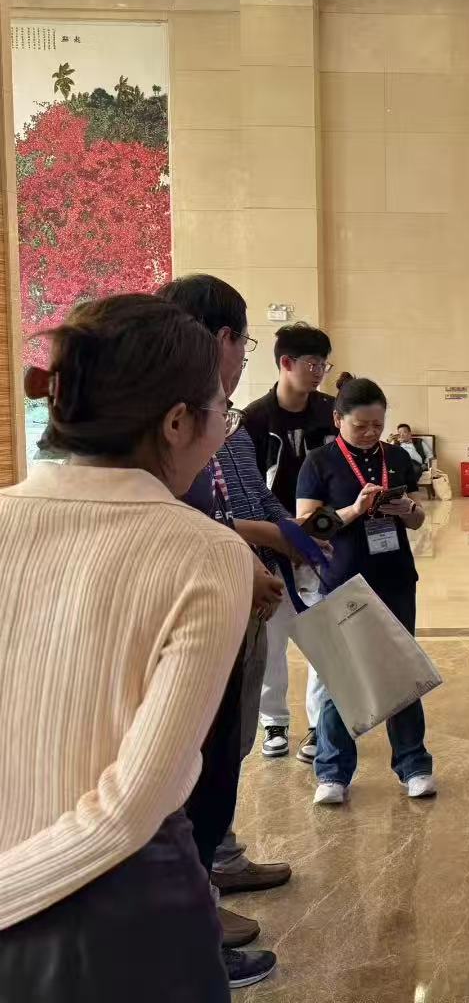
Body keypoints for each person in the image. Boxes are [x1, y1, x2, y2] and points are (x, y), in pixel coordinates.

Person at [0, 294, 250, 1001]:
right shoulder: (205, 553)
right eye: (221, 413)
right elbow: (129, 808)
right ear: (177, 422)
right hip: (113, 922)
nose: (220, 432)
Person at [159, 275, 300, 981]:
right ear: (223, 338)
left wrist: (276, 547)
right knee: (189, 772)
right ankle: (193, 927)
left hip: (232, 604)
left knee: (220, 760)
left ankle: (211, 877)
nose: (245, 356)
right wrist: (248, 556)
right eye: (245, 341)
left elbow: (233, 509)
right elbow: (186, 523)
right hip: (191, 620)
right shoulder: (169, 421)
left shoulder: (223, 424)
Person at [296, 378, 434, 805]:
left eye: (378, 424)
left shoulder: (397, 457)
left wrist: (407, 509)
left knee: (401, 670)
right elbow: (308, 527)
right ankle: (333, 772)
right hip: (343, 580)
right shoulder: (319, 462)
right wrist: (355, 510)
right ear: (338, 419)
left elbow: (418, 520)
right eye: (361, 426)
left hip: (395, 577)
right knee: (343, 676)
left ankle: (414, 765)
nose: (372, 433)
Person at [242, 322, 336, 764]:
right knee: (273, 636)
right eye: (311, 364)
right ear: (286, 363)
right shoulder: (254, 420)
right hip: (270, 544)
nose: (319, 372)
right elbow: (249, 490)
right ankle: (274, 721)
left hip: (322, 543)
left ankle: (320, 725)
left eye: (323, 365)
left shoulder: (331, 413)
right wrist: (273, 539)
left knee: (322, 636)